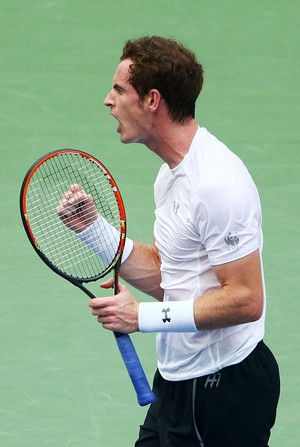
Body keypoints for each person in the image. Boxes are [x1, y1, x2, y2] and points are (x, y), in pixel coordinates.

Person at [57, 36, 280, 446]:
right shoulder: (171, 176)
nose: (108, 100)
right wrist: (93, 229)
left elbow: (246, 300)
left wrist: (138, 318)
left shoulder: (216, 184)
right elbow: (170, 275)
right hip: (176, 382)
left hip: (222, 389)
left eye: (120, 90)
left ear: (152, 100)